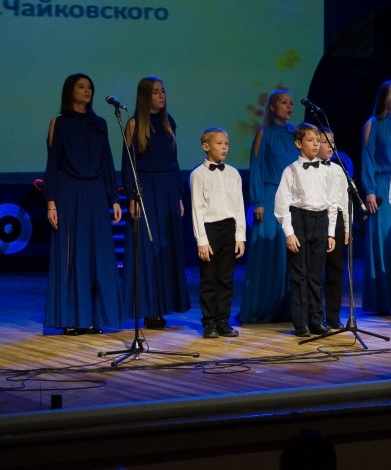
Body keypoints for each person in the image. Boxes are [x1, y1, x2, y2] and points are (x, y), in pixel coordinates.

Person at [44, 73, 124, 335]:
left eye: (89, 87)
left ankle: (92, 317)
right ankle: (70, 318)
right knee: (72, 253)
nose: (87, 90)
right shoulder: (59, 123)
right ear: (70, 91)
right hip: (68, 191)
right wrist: (51, 202)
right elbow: (53, 164)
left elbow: (107, 162)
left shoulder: (99, 124)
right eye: (81, 86)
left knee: (96, 254)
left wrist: (113, 198)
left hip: (95, 192)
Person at [121, 76, 190, 330]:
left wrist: (179, 194)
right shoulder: (134, 124)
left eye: (163, 91)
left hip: (167, 188)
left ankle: (164, 306)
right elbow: (128, 164)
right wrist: (132, 196)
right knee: (147, 249)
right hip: (146, 189)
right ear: (144, 96)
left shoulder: (168, 122)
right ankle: (149, 308)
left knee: (166, 249)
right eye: (156, 92)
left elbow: (174, 162)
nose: (162, 96)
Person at [240, 89, 298, 324]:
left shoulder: (295, 134)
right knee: (270, 251)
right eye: (284, 103)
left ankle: (287, 307)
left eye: (291, 103)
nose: (289, 107)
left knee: (288, 252)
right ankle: (264, 306)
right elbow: (257, 167)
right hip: (270, 195)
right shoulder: (264, 133)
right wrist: (258, 201)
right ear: (273, 107)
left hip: (292, 197)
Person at [274, 123, 337, 337]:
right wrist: (289, 233)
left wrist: (330, 232)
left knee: (316, 275)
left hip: (320, 221)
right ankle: (301, 322)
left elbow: (332, 203)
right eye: (311, 140)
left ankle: (316, 319)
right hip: (299, 220)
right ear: (299, 143)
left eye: (318, 140)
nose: (316, 144)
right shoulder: (291, 170)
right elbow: (282, 204)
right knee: (299, 274)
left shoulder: (326, 171)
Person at [189, 127, 245, 338]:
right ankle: (209, 322)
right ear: (206, 146)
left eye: (226, 144)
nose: (224, 147)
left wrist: (240, 236)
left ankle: (223, 320)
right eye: (219, 143)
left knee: (226, 278)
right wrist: (202, 241)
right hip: (210, 229)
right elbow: (197, 208)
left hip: (229, 228)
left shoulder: (233, 173)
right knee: (209, 278)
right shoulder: (198, 175)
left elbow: (239, 206)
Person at [361, 80, 391, 314]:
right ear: (384, 97)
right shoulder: (373, 124)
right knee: (385, 243)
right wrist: (369, 189)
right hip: (382, 185)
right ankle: (383, 299)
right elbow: (368, 158)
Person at [319, 126, 350, 328]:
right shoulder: (310, 170)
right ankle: (314, 316)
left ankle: (333, 316)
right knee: (315, 270)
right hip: (317, 219)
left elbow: (344, 200)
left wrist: (346, 226)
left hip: (337, 221)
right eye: (325, 141)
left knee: (335, 269)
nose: (330, 146)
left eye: (332, 141)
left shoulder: (338, 170)